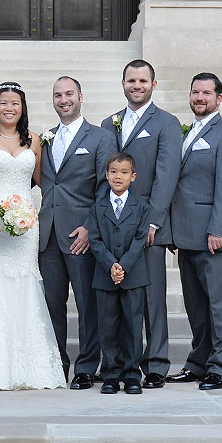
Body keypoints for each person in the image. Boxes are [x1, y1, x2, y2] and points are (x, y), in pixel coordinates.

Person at [0, 82, 65, 390]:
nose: (9, 108)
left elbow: (44, 180)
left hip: (25, 224)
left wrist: (33, 213)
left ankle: (29, 366)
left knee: (25, 283)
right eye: (4, 103)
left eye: (15, 104)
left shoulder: (34, 140)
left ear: (23, 108)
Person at [100, 60, 181, 389]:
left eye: (143, 80)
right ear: (123, 83)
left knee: (150, 297)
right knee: (117, 297)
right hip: (113, 224)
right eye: (131, 80)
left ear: (153, 84)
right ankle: (119, 364)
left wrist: (154, 221)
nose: (137, 85)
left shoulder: (166, 123)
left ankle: (157, 363)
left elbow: (167, 174)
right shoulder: (109, 122)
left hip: (147, 225)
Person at [165, 73, 222, 390]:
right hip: (186, 235)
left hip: (214, 237)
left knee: (220, 305)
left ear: (219, 98)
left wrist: (218, 229)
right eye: (195, 92)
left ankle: (219, 368)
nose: (200, 97)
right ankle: (199, 362)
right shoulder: (186, 133)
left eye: (207, 93)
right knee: (196, 306)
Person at [38, 76, 116, 388]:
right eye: (58, 95)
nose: (63, 99)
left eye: (69, 94)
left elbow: (105, 187)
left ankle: (86, 367)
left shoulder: (99, 137)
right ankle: (57, 363)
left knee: (87, 304)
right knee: (52, 304)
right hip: (49, 235)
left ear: (81, 97)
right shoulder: (45, 137)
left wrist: (89, 227)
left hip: (82, 234)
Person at [86, 152, 151, 395]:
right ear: (106, 175)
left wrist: (123, 266)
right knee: (108, 327)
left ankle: (132, 375)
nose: (118, 176)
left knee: (134, 327)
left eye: (124, 172)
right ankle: (110, 374)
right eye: (113, 171)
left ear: (133, 177)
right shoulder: (97, 207)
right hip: (105, 276)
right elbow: (95, 239)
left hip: (133, 276)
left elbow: (139, 240)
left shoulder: (141, 208)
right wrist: (111, 265)